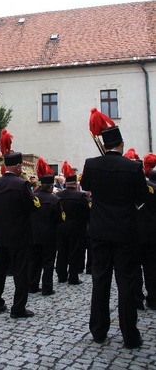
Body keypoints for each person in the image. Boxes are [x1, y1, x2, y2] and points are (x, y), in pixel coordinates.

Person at [81, 125, 149, 349]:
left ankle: (99, 330)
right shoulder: (133, 167)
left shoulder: (91, 164)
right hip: (125, 232)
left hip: (100, 231)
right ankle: (130, 334)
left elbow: (86, 186)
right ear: (121, 144)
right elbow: (141, 197)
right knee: (126, 283)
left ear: (104, 144)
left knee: (100, 281)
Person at [0, 151, 39, 318]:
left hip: (1, 235)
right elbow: (33, 206)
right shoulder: (21, 185)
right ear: (17, 166)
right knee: (21, 272)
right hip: (20, 236)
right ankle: (18, 308)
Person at [29, 174, 62, 295]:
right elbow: (60, 219)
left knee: (34, 262)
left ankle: (32, 285)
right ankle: (47, 288)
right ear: (50, 187)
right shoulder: (55, 200)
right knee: (48, 263)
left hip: (34, 234)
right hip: (49, 235)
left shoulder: (32, 198)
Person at [56, 175, 91, 285]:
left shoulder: (58, 195)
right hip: (76, 228)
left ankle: (61, 275)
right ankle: (73, 277)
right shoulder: (80, 196)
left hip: (61, 227)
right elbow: (87, 213)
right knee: (75, 252)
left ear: (66, 183)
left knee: (62, 252)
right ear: (76, 184)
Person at [135, 165, 156, 310]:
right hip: (151, 233)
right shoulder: (153, 187)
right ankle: (153, 299)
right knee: (151, 269)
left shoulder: (127, 189)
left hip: (133, 234)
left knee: (134, 270)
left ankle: (137, 299)